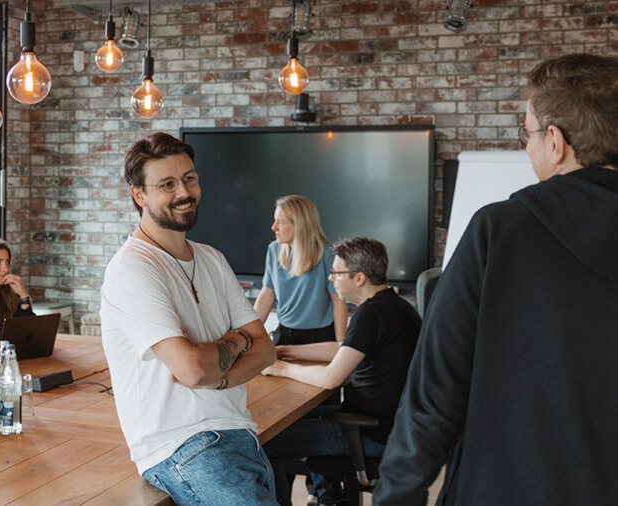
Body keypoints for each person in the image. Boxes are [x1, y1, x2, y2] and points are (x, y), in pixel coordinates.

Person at [373, 54, 618, 505]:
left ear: (556, 142)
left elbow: (433, 397)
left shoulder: (500, 231)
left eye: (525, 133)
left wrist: (396, 497)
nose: (527, 148)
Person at [100, 132, 278, 505]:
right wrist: (238, 339)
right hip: (182, 446)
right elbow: (193, 369)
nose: (184, 191)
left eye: (189, 178)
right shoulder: (134, 269)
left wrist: (219, 370)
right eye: (167, 184)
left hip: (240, 433)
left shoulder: (211, 258)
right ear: (139, 195)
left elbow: (265, 351)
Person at [261, 237, 421, 506]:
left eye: (335, 273)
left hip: (370, 433)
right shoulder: (394, 306)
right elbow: (343, 348)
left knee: (263, 446)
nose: (331, 278)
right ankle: (330, 496)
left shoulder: (370, 315)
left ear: (359, 278)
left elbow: (331, 378)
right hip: (389, 426)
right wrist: (284, 351)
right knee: (297, 419)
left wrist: (279, 369)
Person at [254, 195, 348, 345]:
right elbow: (267, 294)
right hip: (285, 334)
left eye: (280, 222)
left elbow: (338, 301)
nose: (273, 227)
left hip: (321, 336)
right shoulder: (273, 250)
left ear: (299, 224)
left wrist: (341, 344)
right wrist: (248, 337)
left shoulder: (327, 254)